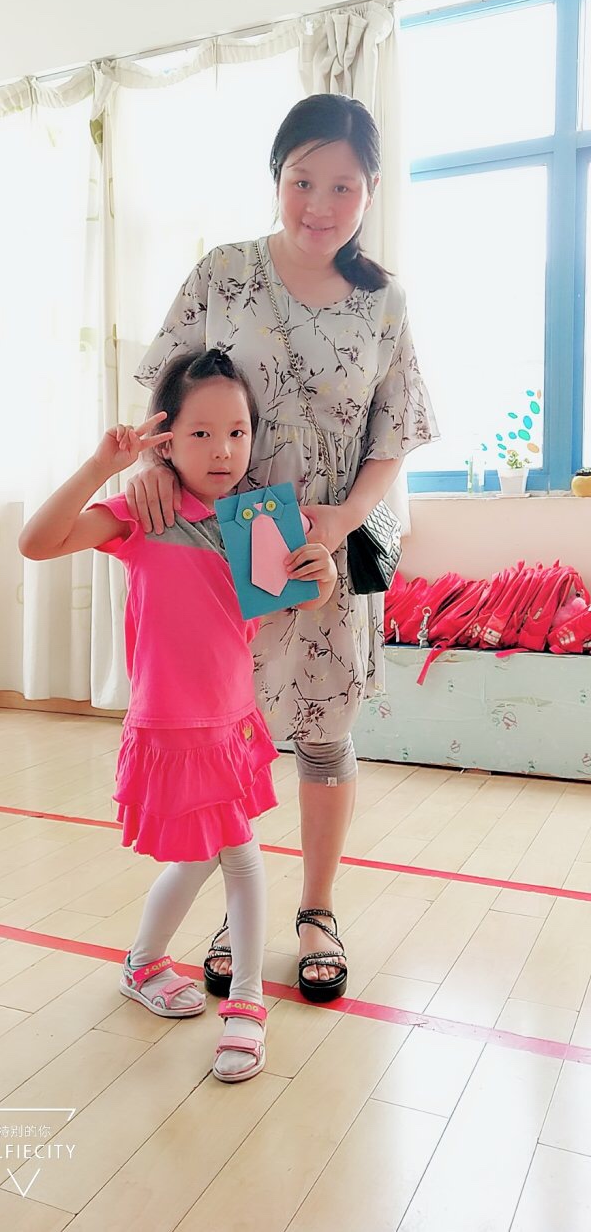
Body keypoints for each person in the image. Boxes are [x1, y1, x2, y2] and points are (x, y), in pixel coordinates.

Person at [127, 94, 439, 1003]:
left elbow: (395, 433)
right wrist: (148, 466)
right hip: (225, 540)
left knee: (325, 734)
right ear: (277, 178)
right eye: (303, 180)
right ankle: (241, 905)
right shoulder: (223, 271)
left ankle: (316, 909)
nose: (320, 203)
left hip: (326, 548)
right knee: (237, 728)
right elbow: (163, 394)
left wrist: (346, 518)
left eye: (343, 185)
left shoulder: (384, 300)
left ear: (370, 190)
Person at [19, 349, 337, 1081]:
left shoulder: (263, 520)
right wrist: (102, 466)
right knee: (231, 856)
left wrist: (319, 575)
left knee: (213, 855)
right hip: (169, 727)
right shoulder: (144, 514)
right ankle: (241, 1001)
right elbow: (36, 543)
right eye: (200, 434)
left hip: (230, 725)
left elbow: (300, 595)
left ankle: (153, 967)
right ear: (164, 440)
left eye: (237, 432)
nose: (223, 450)